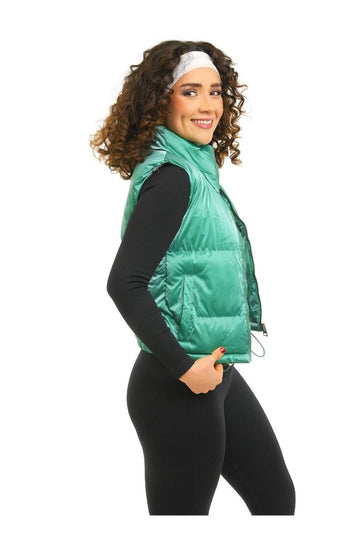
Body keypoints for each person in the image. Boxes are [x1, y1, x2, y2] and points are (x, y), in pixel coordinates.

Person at [90, 40, 295, 515]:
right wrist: (184, 367)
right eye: (190, 92)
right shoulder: (173, 178)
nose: (208, 105)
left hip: (216, 372)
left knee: (275, 499)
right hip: (176, 383)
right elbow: (124, 282)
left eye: (215, 91)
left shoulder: (197, 171)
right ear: (161, 102)